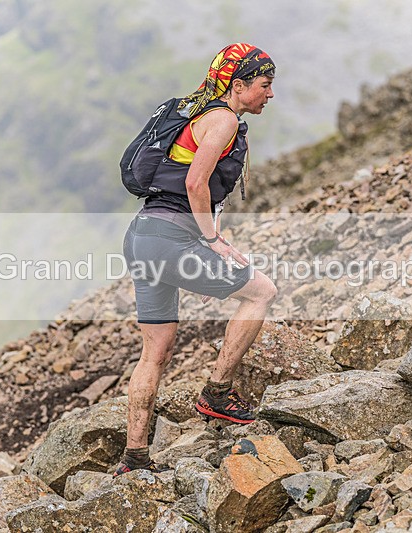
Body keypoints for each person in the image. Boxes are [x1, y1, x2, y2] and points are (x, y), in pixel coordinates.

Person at [115, 43, 277, 475]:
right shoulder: (222, 119)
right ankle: (218, 393)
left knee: (155, 353)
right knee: (261, 291)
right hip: (172, 239)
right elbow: (194, 183)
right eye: (265, 85)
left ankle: (134, 459)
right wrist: (213, 242)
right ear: (238, 85)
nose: (270, 94)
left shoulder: (194, 113)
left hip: (142, 237)